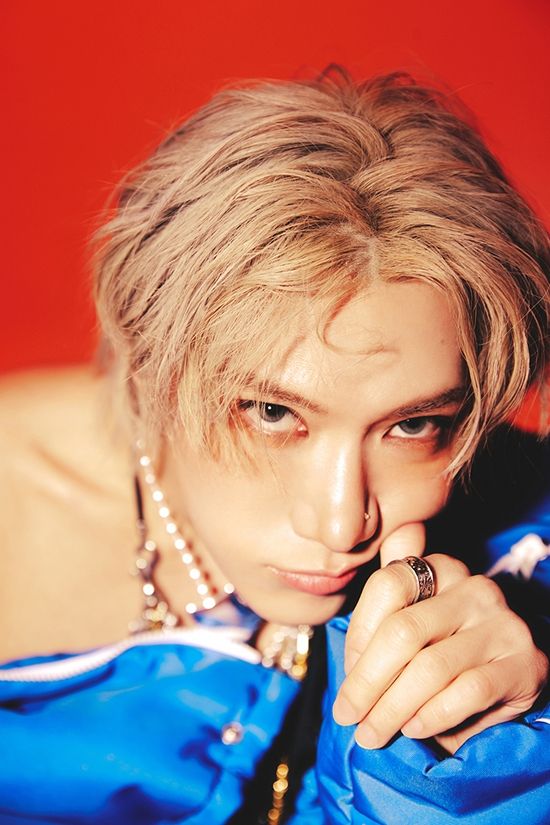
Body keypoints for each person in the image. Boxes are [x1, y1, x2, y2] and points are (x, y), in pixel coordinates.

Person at [0, 69, 549, 824]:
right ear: (149, 356)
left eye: (414, 425)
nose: (341, 524)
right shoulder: (16, 500)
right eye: (270, 412)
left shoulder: (527, 542)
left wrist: (482, 761)